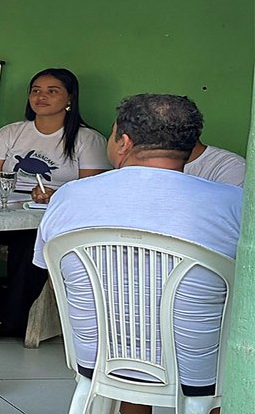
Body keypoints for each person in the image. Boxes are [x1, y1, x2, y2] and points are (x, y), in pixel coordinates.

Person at [33, 94, 240, 414]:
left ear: (124, 142)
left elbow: (55, 276)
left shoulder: (68, 197)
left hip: (100, 360)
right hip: (198, 371)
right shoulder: (234, 203)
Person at [0, 68, 111, 348]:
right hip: (5, 212)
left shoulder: (86, 139)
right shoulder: (11, 133)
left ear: (70, 99)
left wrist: (56, 194)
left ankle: (10, 319)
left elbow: (91, 191)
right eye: (36, 90)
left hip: (50, 219)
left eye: (52, 91)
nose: (41, 97)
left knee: (28, 242)